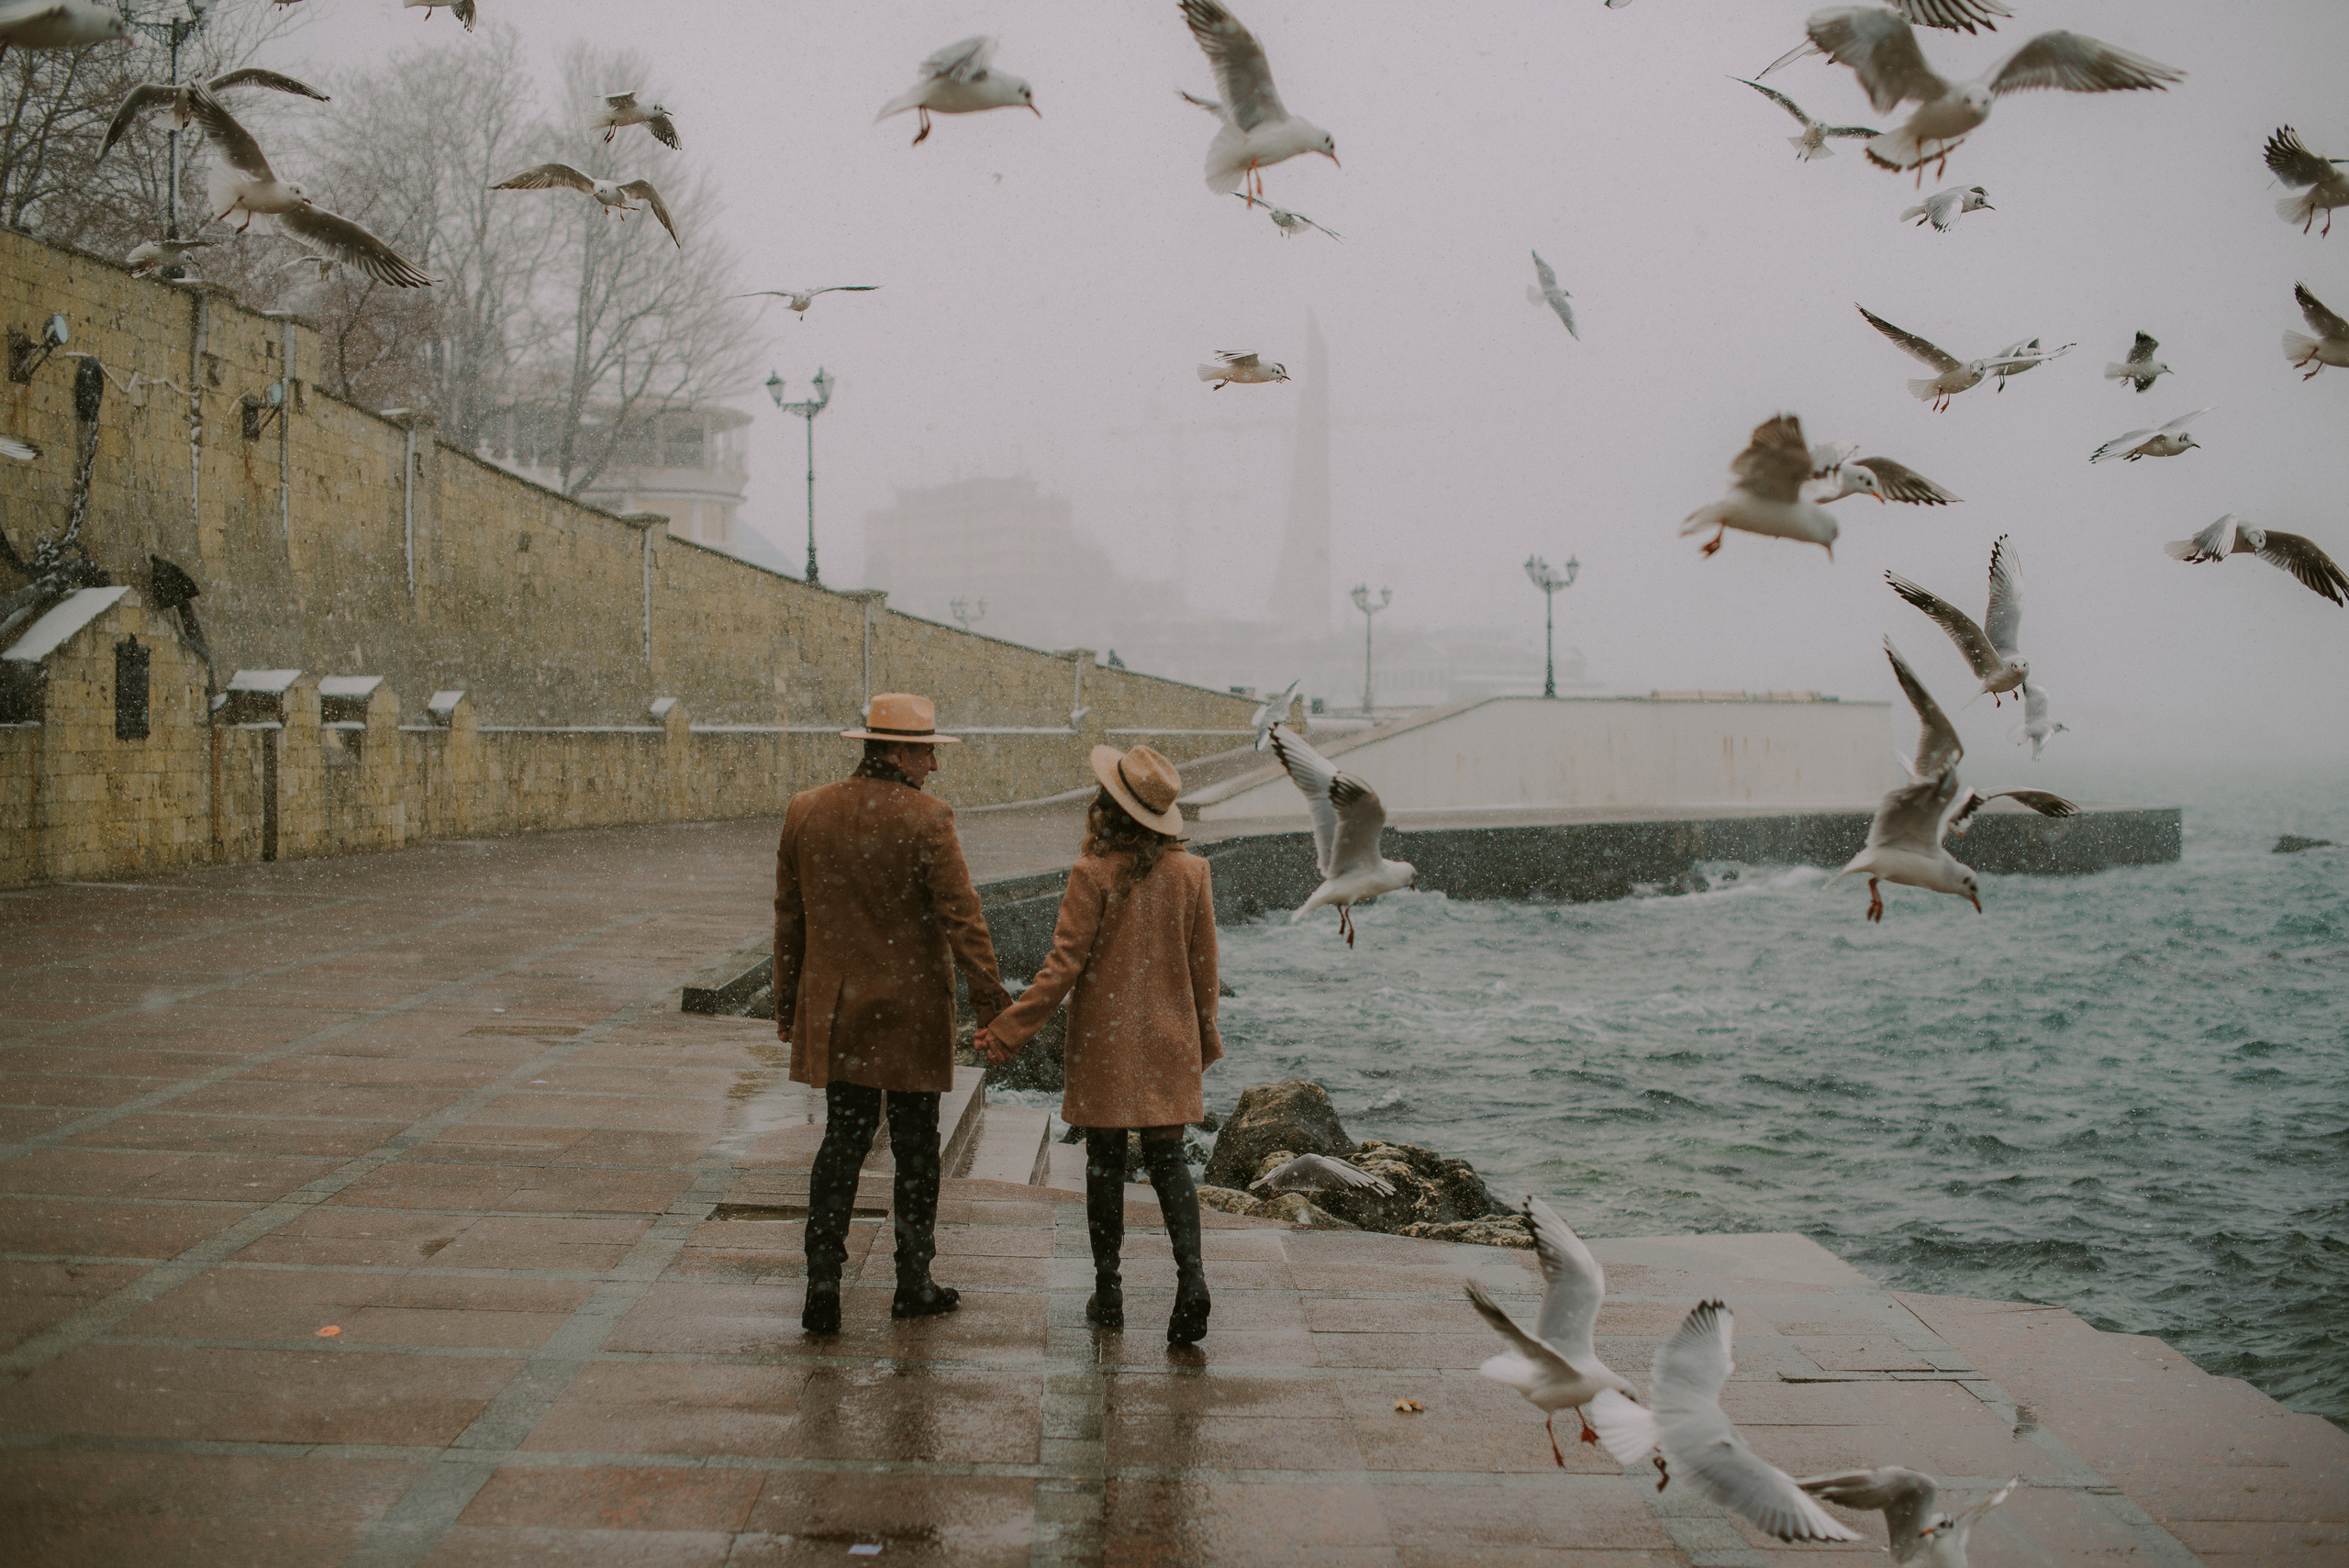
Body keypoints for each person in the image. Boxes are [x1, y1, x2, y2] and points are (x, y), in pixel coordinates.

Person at [774, 692, 1011, 1336]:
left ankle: (823, 1281)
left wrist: (786, 1000)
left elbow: (789, 916)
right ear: (900, 752)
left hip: (840, 1009)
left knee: (843, 1142)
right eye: (929, 751)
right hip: (910, 1011)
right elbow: (965, 920)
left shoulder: (806, 810)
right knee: (915, 1149)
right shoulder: (930, 819)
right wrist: (994, 1006)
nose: (935, 765)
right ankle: (913, 1281)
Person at [974, 743, 1223, 1345]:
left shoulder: (1093, 873)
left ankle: (1109, 1291)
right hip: (1168, 1040)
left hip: (1106, 1044)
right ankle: (1191, 1279)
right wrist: (1205, 1037)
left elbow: (1061, 968)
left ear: (1109, 806)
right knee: (1168, 1164)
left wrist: (1009, 1029)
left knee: (1105, 1164)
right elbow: (1203, 968)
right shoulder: (1192, 872)